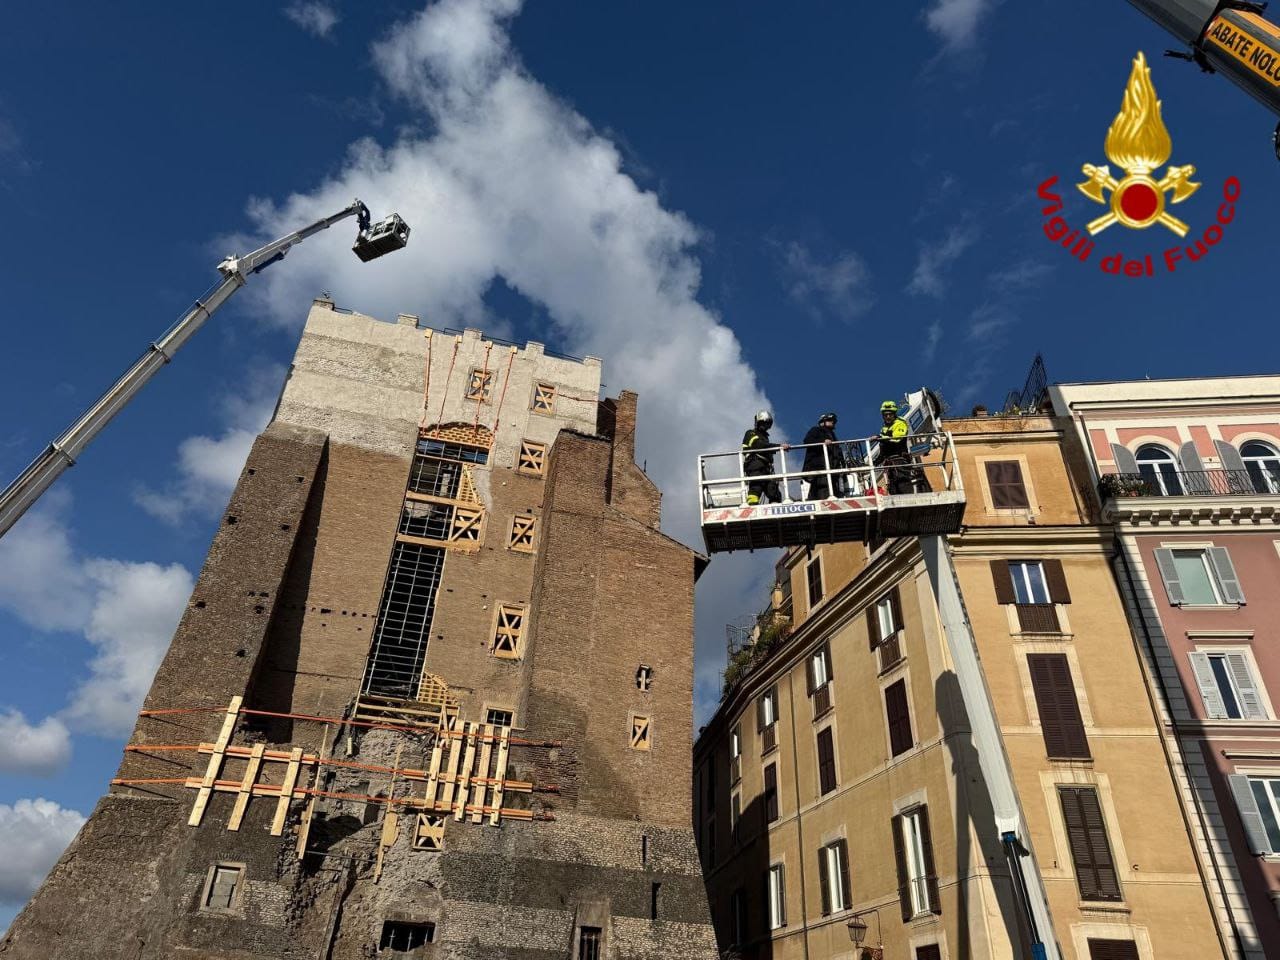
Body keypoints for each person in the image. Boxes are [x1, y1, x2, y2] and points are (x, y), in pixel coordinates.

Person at [875, 400, 926, 494]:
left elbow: (896, 440)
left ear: (894, 414)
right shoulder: (884, 429)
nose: (888, 416)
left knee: (905, 487)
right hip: (892, 467)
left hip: (901, 463)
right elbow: (883, 451)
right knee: (895, 489)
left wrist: (879, 438)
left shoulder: (900, 424)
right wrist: (874, 462)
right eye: (885, 415)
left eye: (890, 414)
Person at [742, 410, 786, 505]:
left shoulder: (765, 437)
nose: (765, 426)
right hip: (755, 465)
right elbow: (759, 445)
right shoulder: (751, 433)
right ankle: (752, 508)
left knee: (774, 491)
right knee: (756, 487)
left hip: (766, 468)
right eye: (763, 423)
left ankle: (775, 510)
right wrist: (779, 446)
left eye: (767, 424)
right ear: (758, 422)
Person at [803, 412, 844, 500]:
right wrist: (823, 441)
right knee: (822, 494)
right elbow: (807, 440)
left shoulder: (833, 436)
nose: (833, 422)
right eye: (830, 420)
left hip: (832, 472)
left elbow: (838, 454)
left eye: (834, 421)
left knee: (833, 493)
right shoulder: (816, 430)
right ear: (823, 422)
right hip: (820, 471)